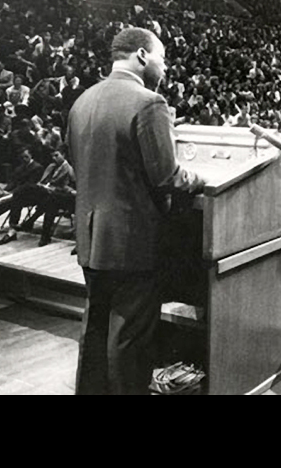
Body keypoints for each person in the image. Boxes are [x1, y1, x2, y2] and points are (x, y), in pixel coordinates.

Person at [68, 27, 206, 395]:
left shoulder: (83, 100)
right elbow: (167, 176)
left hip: (92, 237)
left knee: (96, 327)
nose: (165, 65)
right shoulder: (148, 102)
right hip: (133, 244)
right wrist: (199, 176)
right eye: (162, 57)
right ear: (143, 56)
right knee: (129, 338)